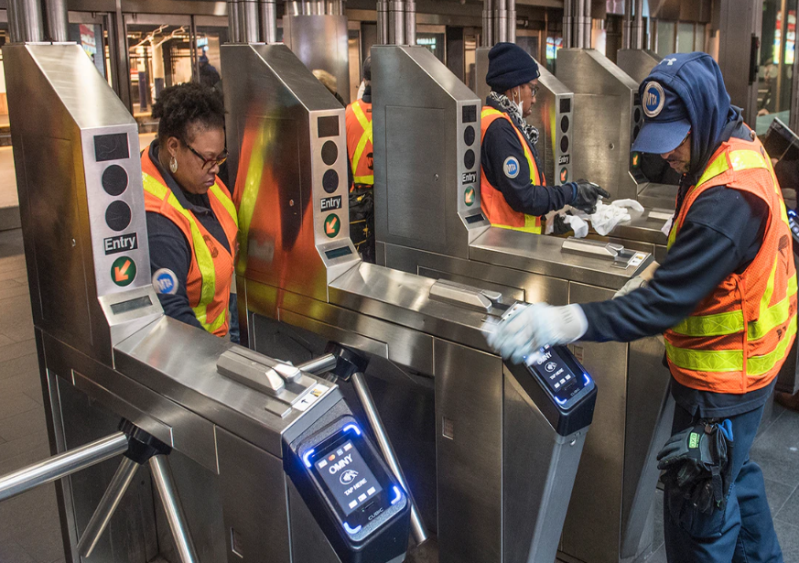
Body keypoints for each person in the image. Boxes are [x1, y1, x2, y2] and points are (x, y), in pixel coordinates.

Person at [486, 52, 795, 563]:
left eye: (676, 137)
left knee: (699, 521)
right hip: (750, 367)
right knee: (735, 480)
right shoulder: (731, 145)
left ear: (703, 114)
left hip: (722, 381)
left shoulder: (727, 200)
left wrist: (565, 320)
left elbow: (663, 305)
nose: (668, 154)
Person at [144, 82, 239, 342]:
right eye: (208, 159)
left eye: (220, 157)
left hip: (223, 331)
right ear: (173, 147)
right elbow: (172, 316)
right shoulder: (159, 224)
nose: (216, 168)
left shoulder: (201, 178)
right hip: (196, 351)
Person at [481, 42, 609, 234]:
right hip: (503, 245)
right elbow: (524, 197)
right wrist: (572, 193)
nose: (534, 98)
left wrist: (547, 222)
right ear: (515, 89)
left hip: (511, 242)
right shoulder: (500, 129)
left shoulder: (505, 123)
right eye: (532, 90)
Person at [345, 56, 375, 262]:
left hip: (357, 204)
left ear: (364, 80)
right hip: (390, 207)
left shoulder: (347, 113)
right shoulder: (395, 112)